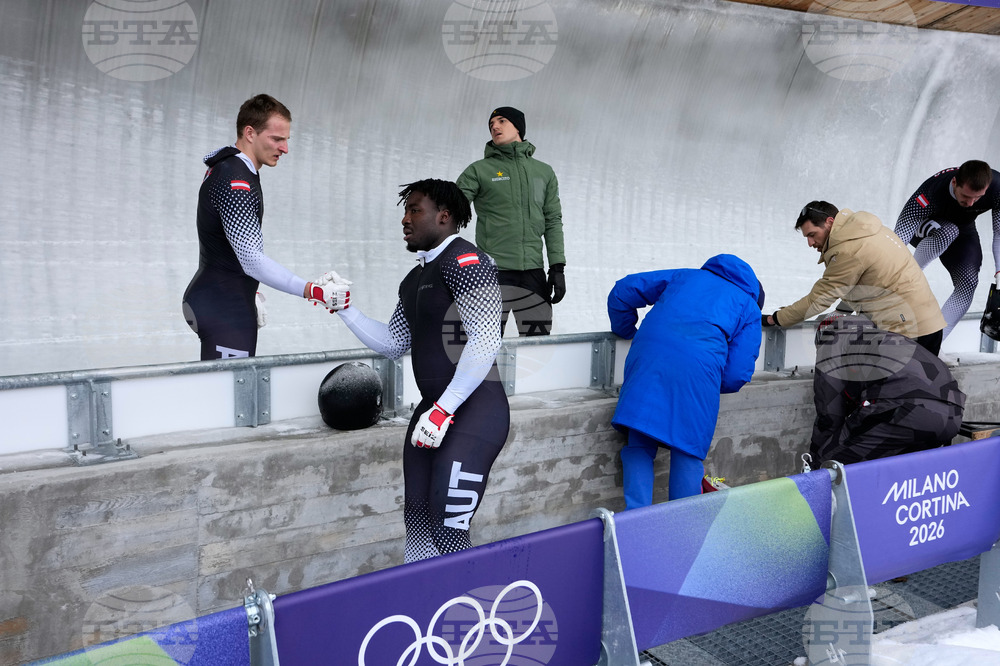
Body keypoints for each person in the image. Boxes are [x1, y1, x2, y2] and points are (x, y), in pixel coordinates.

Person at [335, 178, 509, 562]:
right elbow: (395, 342)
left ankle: (463, 616)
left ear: (444, 217)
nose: (405, 219)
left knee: (448, 530)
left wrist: (445, 408)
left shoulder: (468, 261)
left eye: (415, 210)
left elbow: (485, 339)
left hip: (474, 412)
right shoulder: (414, 279)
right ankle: (424, 608)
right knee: (417, 522)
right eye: (406, 210)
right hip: (433, 412)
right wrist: (346, 309)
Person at [182, 94, 349, 360]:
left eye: (286, 140)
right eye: (276, 139)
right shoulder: (236, 181)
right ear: (250, 133)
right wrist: (313, 291)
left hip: (225, 296)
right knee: (230, 398)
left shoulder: (235, 167)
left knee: (229, 393)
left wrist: (250, 289)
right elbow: (251, 259)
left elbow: (230, 247)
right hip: (223, 305)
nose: (284, 149)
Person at [608, 254, 763, 509]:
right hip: (699, 370)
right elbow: (737, 373)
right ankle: (681, 526)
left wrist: (626, 331)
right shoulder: (748, 307)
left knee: (640, 440)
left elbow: (623, 290)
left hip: (648, 357)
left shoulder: (685, 275)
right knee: (688, 450)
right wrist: (709, 381)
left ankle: (633, 518)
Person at [764, 201, 946, 355]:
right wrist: (843, 310)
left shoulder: (847, 249)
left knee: (890, 394)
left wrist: (776, 319)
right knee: (921, 394)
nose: (810, 243)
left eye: (812, 235)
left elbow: (818, 300)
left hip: (905, 333)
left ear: (829, 222)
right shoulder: (869, 231)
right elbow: (868, 280)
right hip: (930, 325)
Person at [456, 106, 565, 336]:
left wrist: (557, 267)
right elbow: (450, 211)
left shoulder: (544, 172)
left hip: (533, 272)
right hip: (493, 272)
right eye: (491, 124)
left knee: (538, 344)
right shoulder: (479, 170)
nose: (494, 126)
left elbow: (553, 220)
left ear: (518, 127)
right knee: (484, 345)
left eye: (502, 121)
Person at [810, 314, 965, 465]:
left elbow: (829, 412)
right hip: (953, 416)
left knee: (828, 464)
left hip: (905, 411)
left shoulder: (831, 342)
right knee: (897, 470)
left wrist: (816, 457)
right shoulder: (887, 338)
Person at [894, 160, 1000, 339]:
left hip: (963, 229)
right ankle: (906, 280)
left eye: (978, 197)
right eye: (966, 196)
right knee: (948, 231)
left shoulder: (997, 188)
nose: (972, 203)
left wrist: (999, 272)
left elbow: (999, 233)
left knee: (968, 283)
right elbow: (898, 237)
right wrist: (888, 274)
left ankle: (933, 344)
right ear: (954, 183)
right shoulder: (933, 189)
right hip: (923, 226)